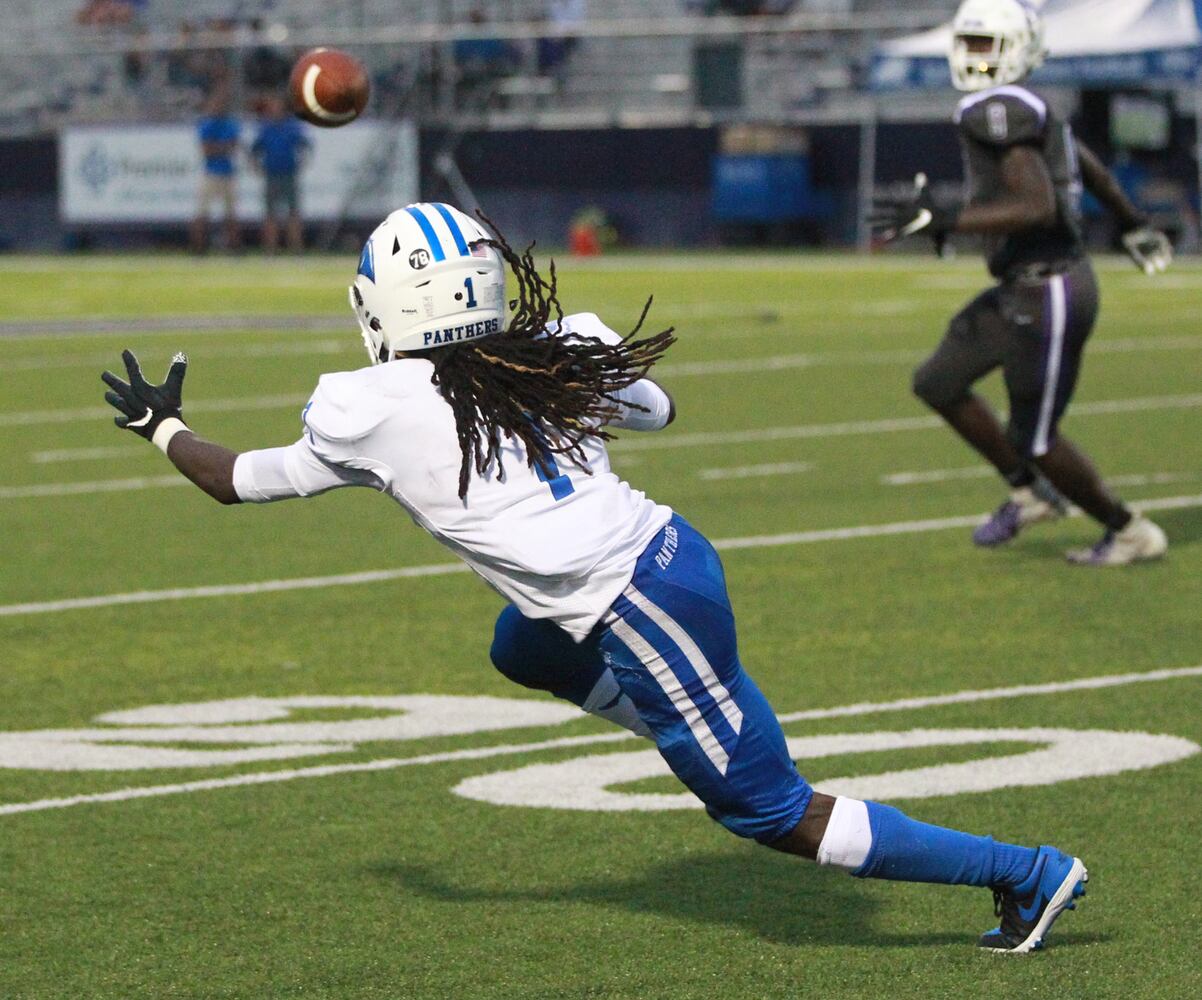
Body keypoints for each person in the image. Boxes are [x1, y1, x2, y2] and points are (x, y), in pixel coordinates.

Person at [102, 201, 1088, 954]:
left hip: (639, 602)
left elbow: (235, 482)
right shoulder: (555, 347)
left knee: (771, 811)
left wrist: (164, 428)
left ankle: (1024, 873)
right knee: (519, 641)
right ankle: (682, 714)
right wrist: (572, 367)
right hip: (665, 558)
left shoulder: (361, 405)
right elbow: (656, 413)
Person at [870, 0, 1174, 566]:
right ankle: (1028, 490)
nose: (970, 56)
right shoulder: (1030, 108)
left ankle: (1129, 530)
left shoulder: (998, 109)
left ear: (1017, 48)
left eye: (983, 43)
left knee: (1035, 436)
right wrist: (1133, 224)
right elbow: (1090, 169)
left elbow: (1035, 206)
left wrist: (945, 219)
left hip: (1050, 287)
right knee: (938, 381)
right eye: (966, 42)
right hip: (1023, 286)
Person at [250, 97, 311, 254]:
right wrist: (256, 168)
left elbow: (305, 146)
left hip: (288, 174)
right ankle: (271, 249)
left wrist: (302, 163)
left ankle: (296, 248)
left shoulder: (292, 127)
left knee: (293, 212)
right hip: (272, 174)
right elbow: (255, 150)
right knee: (270, 214)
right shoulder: (266, 128)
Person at [191, 91, 241, 253]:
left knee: (231, 213)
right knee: (201, 212)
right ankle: (199, 248)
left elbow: (232, 147)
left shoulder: (231, 124)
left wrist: (217, 147)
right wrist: (222, 147)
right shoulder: (206, 125)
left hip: (227, 172)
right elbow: (207, 150)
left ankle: (234, 247)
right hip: (211, 172)